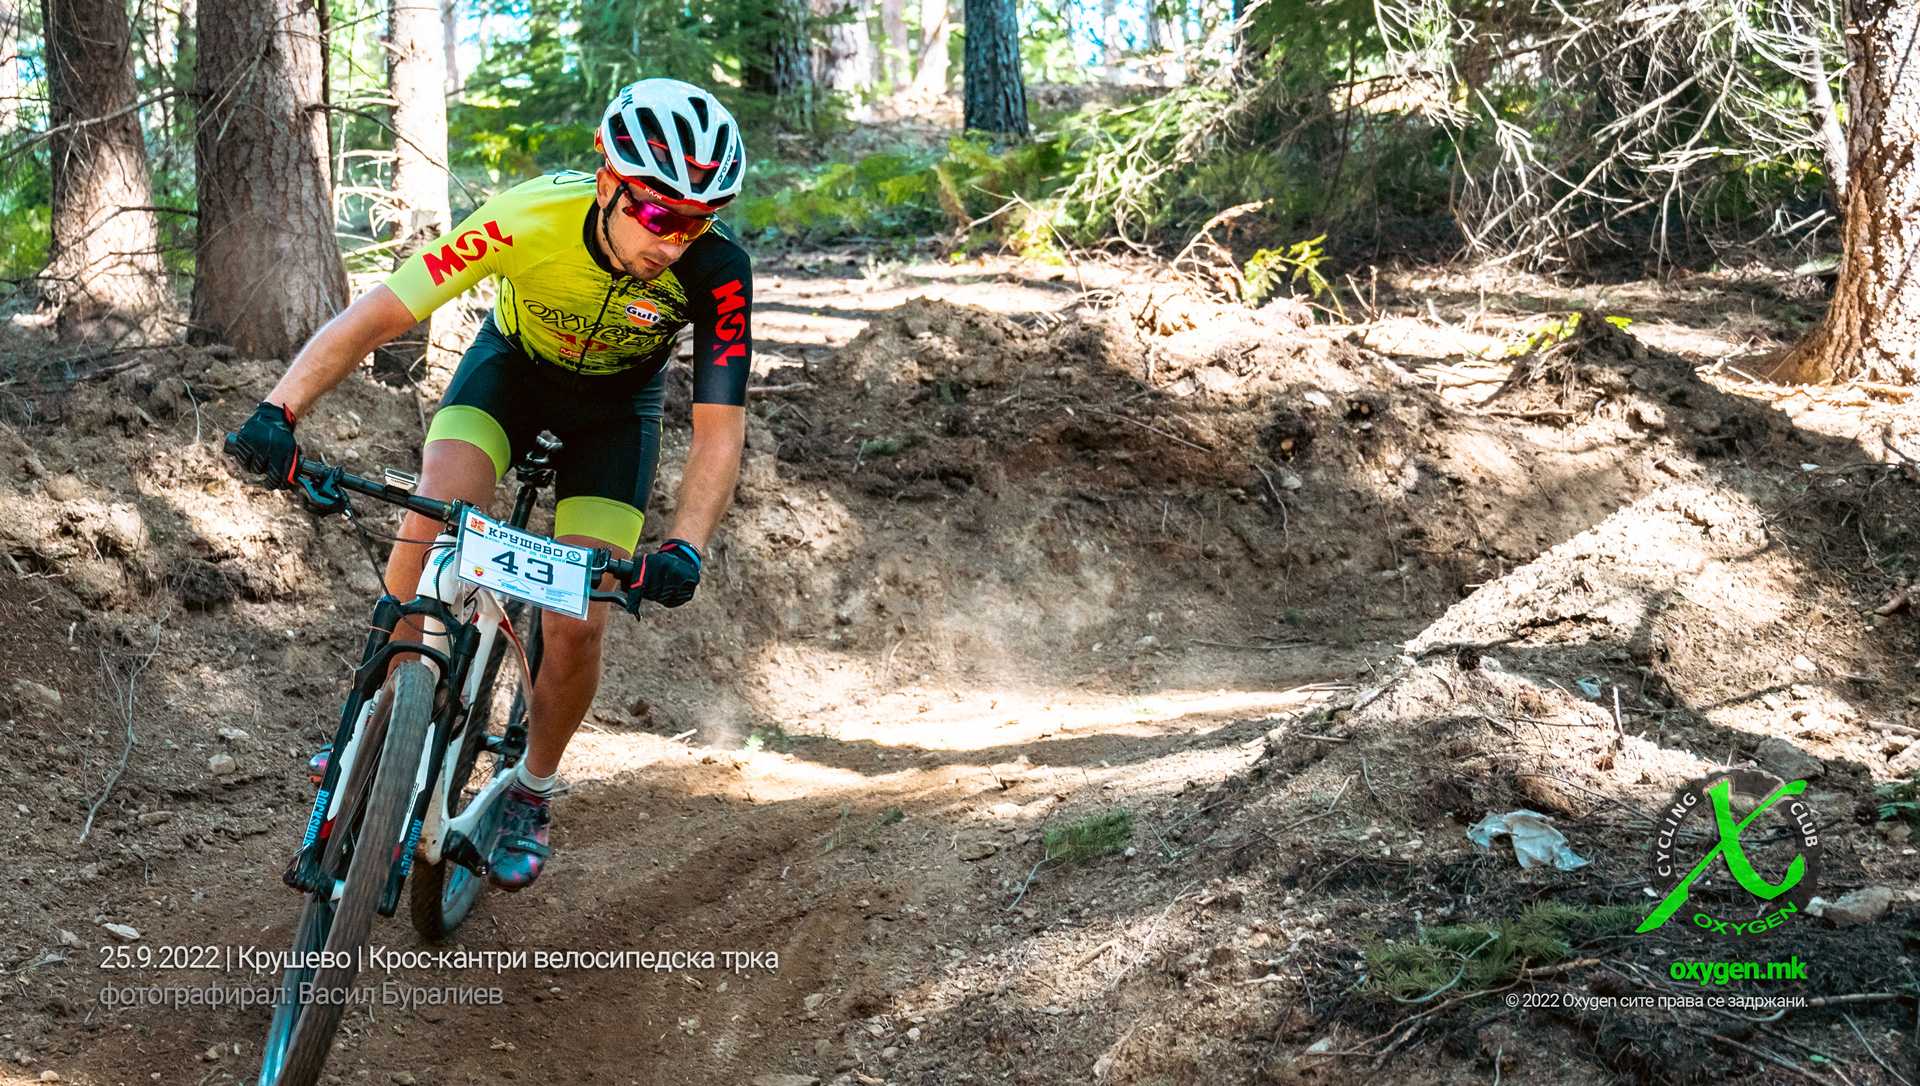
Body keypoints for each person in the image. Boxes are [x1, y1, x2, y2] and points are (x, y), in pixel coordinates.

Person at [227, 78, 753, 892]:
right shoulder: (528, 217)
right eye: (658, 214)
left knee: (576, 620)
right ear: (609, 180)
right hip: (508, 377)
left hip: (615, 416)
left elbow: (721, 426)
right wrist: (278, 409)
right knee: (436, 509)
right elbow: (383, 312)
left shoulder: (718, 272)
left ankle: (531, 792)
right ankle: (377, 709)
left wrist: (686, 543)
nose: (676, 242)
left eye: (697, 221)